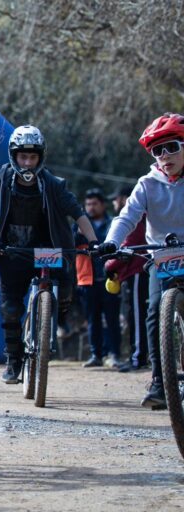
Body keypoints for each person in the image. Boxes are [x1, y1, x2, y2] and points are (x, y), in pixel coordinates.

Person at [0, 125, 98, 384]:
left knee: (65, 291)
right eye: (23, 157)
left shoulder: (53, 184)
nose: (28, 163)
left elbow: (78, 213)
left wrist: (95, 241)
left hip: (48, 249)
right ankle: (13, 359)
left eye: (33, 157)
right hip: (12, 251)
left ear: (40, 157)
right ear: (14, 156)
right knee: (10, 308)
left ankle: (51, 324)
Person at [98, 112, 184, 409]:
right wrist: (111, 241)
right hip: (160, 256)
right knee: (154, 310)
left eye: (171, 147)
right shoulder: (147, 184)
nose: (164, 156)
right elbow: (127, 216)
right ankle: (160, 382)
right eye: (157, 150)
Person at [104, 185, 149, 372]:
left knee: (138, 316)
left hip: (138, 269)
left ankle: (138, 359)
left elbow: (130, 244)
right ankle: (138, 356)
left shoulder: (135, 213)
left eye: (115, 199)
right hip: (136, 270)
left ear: (123, 198)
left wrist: (109, 266)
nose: (114, 202)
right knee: (137, 315)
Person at [80, 188, 122, 369]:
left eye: (94, 203)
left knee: (112, 319)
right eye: (88, 204)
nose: (91, 207)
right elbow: (70, 242)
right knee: (92, 319)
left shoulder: (113, 224)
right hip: (87, 280)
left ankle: (114, 355)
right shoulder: (80, 224)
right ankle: (95, 354)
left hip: (110, 278)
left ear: (102, 205)